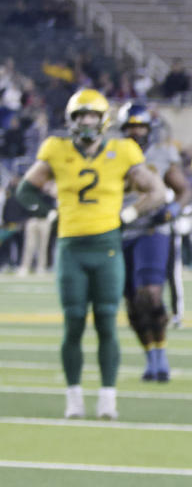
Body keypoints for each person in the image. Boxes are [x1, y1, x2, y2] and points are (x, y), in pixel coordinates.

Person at [14, 88, 166, 419]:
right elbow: (26, 190)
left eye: (92, 116)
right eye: (80, 116)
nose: (86, 122)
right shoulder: (55, 149)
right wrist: (50, 213)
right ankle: (74, 397)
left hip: (107, 246)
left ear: (103, 120)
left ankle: (108, 397)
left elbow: (157, 191)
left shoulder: (123, 150)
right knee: (73, 323)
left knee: (107, 322)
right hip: (72, 247)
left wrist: (128, 216)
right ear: (71, 120)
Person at [117, 101, 192, 382]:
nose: (136, 132)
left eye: (140, 126)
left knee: (150, 294)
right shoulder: (113, 154)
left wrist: (173, 209)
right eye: (131, 127)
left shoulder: (161, 154)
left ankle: (161, 354)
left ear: (149, 129)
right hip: (121, 231)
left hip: (152, 229)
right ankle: (150, 355)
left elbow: (184, 190)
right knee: (132, 303)